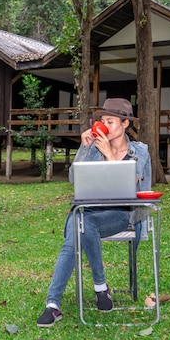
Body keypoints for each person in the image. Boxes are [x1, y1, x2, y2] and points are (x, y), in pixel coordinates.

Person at [37, 98, 152, 328]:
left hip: (120, 215)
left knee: (79, 226)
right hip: (87, 210)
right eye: (102, 121)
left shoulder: (139, 151)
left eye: (111, 121)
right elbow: (73, 179)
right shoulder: (93, 148)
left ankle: (59, 303)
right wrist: (84, 147)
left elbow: (131, 185)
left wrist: (110, 154)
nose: (105, 126)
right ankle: (78, 296)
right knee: (81, 224)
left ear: (125, 123)